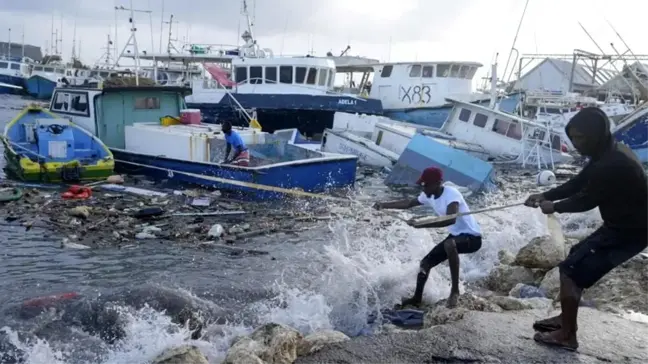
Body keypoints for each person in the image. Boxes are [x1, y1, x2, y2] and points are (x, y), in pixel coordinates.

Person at [524, 106, 648, 351]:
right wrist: (545, 194)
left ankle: (568, 335)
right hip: (623, 225)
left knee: (570, 270)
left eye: (580, 138)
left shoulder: (613, 163)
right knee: (575, 256)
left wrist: (554, 207)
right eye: (573, 138)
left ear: (596, 134)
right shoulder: (607, 153)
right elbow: (579, 182)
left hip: (631, 231)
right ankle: (565, 319)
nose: (575, 144)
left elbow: (586, 200)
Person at [374, 167, 483, 308]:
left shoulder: (452, 195)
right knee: (425, 264)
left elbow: (450, 219)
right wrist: (383, 205)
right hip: (456, 237)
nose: (423, 188)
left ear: (438, 183)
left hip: (472, 238)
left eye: (426, 185)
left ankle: (454, 291)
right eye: (422, 184)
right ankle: (417, 298)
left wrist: (422, 224)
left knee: (449, 244)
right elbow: (408, 203)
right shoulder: (428, 195)